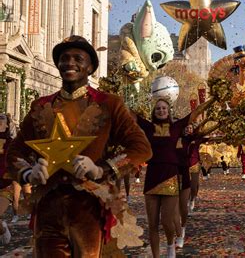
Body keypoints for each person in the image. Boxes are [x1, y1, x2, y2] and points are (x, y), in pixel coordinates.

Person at [6, 36, 152, 257]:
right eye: (64, 58)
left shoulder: (109, 104)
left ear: (90, 66)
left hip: (90, 209)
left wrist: (101, 169)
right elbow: (14, 151)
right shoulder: (41, 106)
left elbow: (141, 148)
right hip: (49, 209)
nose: (70, 63)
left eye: (78, 58)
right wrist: (28, 172)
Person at [137, 96, 212, 257]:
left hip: (170, 176)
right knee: (152, 224)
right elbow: (129, 114)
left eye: (164, 108)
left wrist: (214, 99)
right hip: (152, 178)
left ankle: (171, 244)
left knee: (166, 221)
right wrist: (106, 94)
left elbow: (195, 113)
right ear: (154, 112)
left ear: (169, 111)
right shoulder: (148, 127)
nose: (161, 110)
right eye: (158, 108)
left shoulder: (177, 127)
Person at [0, 113, 14, 244]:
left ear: (7, 124)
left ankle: (3, 230)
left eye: (2, 118)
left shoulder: (12, 143)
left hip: (4, 185)